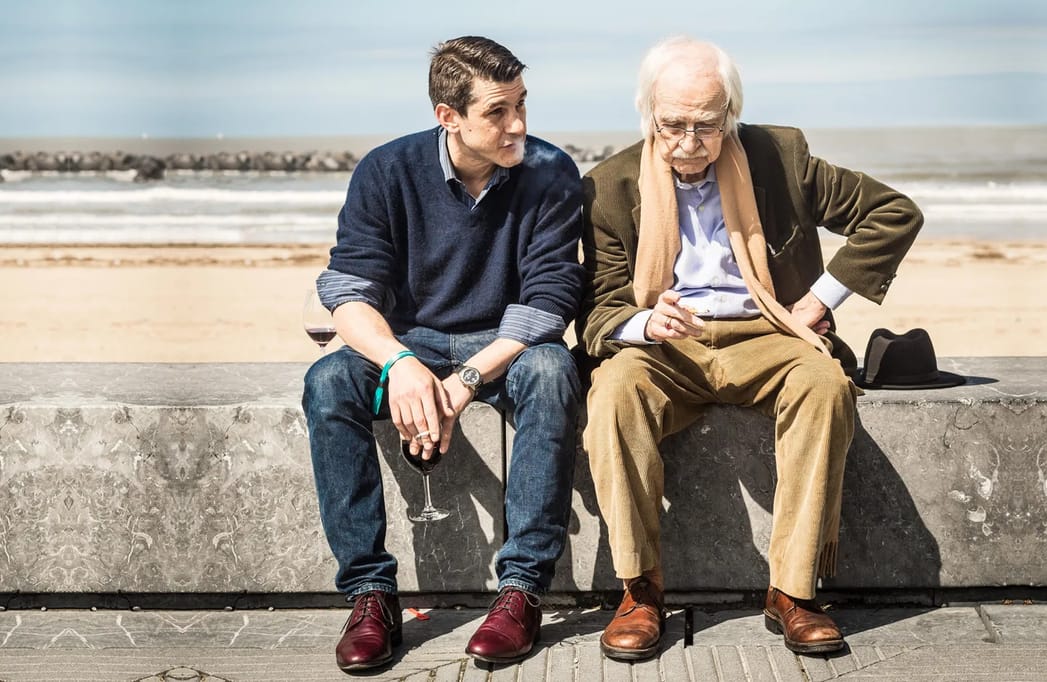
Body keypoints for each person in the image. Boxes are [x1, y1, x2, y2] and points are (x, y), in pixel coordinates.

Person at [578, 36, 923, 661]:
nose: (687, 142)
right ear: (647, 113)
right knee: (612, 395)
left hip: (768, 331)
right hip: (667, 345)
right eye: (672, 125)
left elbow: (892, 214)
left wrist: (818, 302)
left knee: (825, 387)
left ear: (730, 114)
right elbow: (600, 309)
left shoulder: (780, 157)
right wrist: (644, 323)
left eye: (706, 126)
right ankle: (639, 588)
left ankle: (792, 592)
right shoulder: (608, 185)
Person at [302, 36, 584, 672]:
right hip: (411, 342)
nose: (518, 125)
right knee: (328, 383)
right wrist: (401, 364)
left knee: (554, 367)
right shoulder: (386, 170)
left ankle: (520, 592)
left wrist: (464, 379)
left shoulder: (550, 171)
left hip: (508, 347)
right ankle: (371, 595)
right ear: (447, 116)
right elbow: (348, 289)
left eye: (521, 104)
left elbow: (551, 296)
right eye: (497, 111)